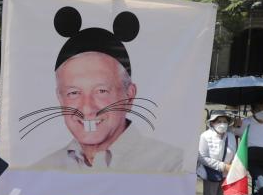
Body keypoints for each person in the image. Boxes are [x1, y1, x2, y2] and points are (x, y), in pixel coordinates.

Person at [33, 51, 183, 173]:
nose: (87, 109)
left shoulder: (168, 165)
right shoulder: (42, 169)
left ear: (129, 95)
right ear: (60, 98)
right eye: (73, 93)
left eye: (101, 91)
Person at [198, 110, 237, 195]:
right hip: (211, 174)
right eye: (219, 121)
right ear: (212, 122)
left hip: (227, 175)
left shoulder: (231, 136)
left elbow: (235, 154)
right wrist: (222, 166)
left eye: (225, 121)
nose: (222, 124)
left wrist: (233, 167)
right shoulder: (205, 136)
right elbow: (202, 157)